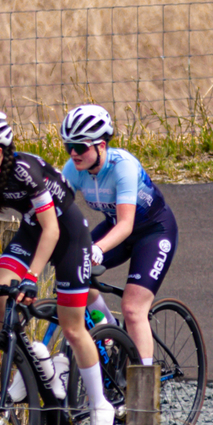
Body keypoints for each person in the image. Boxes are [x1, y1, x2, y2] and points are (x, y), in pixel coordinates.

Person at [0, 108, 114, 425]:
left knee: (72, 327)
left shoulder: (25, 171)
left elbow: (52, 229)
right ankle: (33, 361)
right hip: (31, 230)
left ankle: (101, 405)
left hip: (67, 234)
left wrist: (31, 278)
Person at [59, 103, 177, 367]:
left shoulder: (123, 167)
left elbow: (126, 224)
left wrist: (97, 250)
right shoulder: (73, 169)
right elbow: (55, 213)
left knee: (133, 310)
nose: (73, 154)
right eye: (68, 147)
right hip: (116, 228)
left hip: (153, 232)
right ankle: (108, 328)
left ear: (101, 145)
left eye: (80, 147)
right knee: (75, 272)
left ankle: (144, 390)